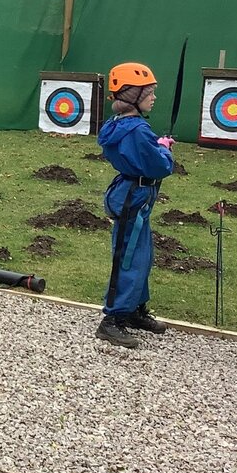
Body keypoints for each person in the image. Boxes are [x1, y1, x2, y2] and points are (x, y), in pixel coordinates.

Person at [94, 62, 176, 348]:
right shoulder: (138, 130)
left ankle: (133, 309)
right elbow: (160, 167)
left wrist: (156, 146)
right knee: (129, 257)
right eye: (149, 92)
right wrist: (164, 149)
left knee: (142, 254)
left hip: (131, 194)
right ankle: (113, 319)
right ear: (132, 95)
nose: (153, 97)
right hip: (134, 197)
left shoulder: (116, 124)